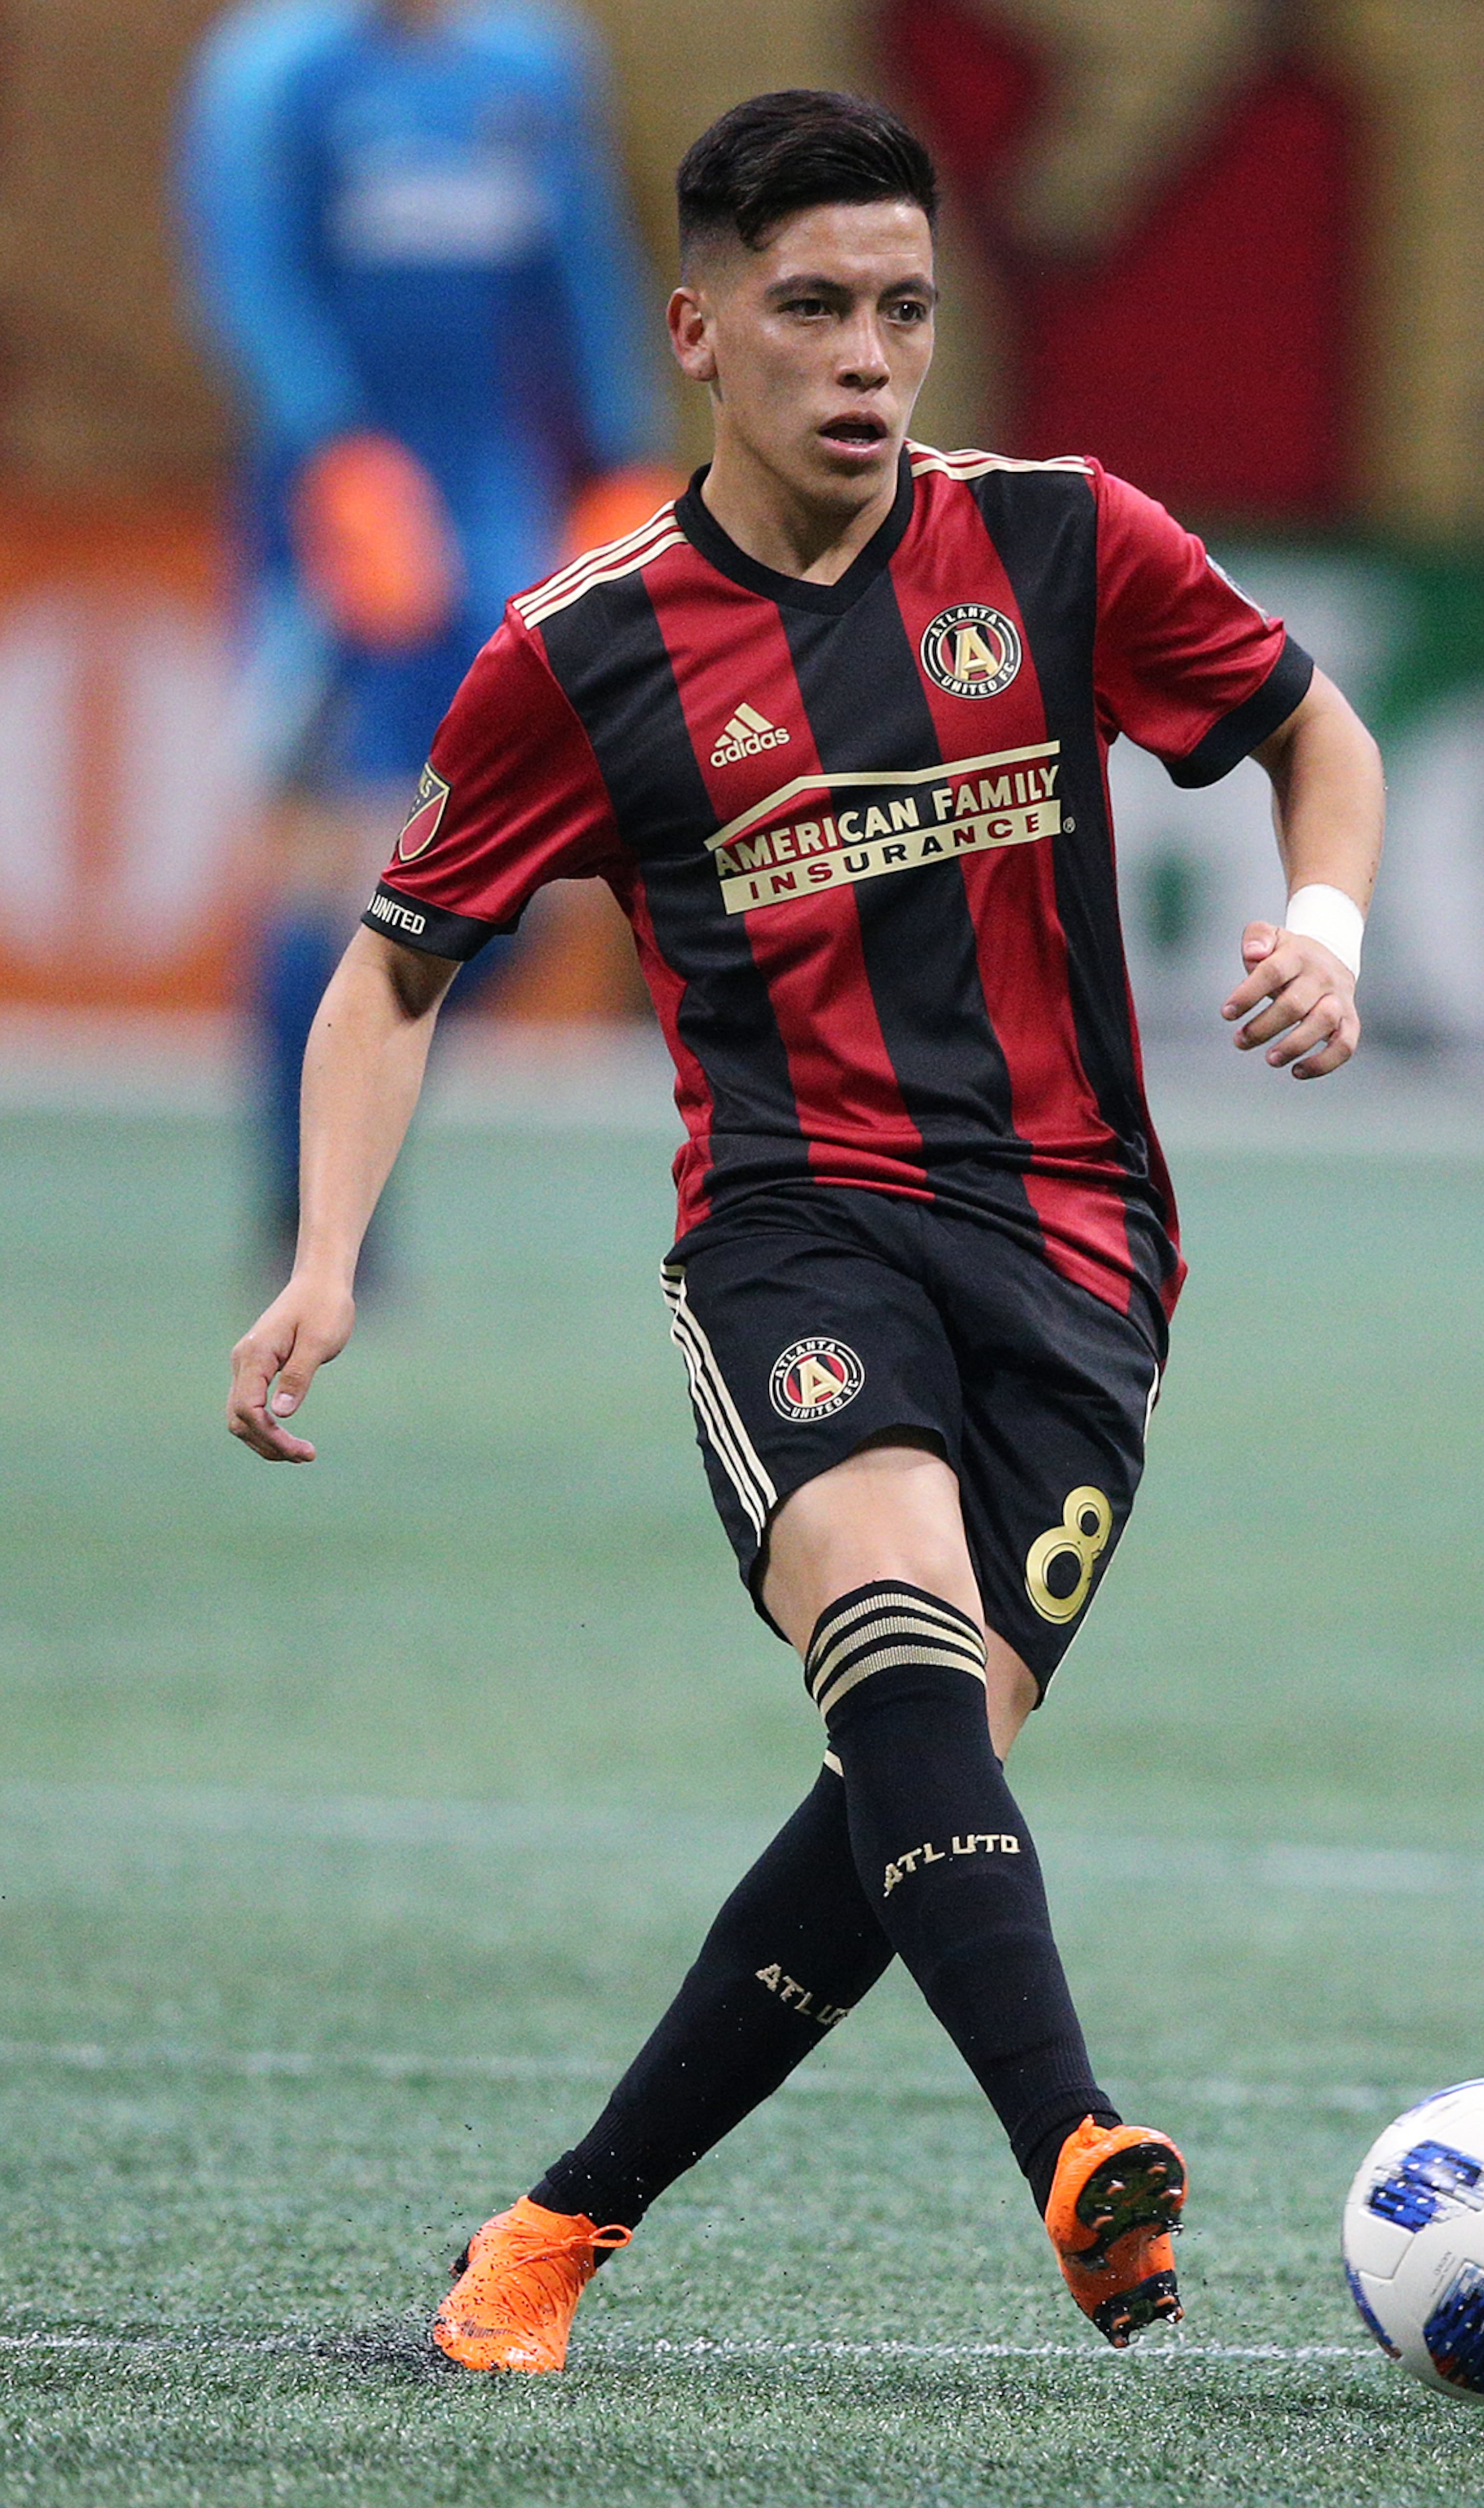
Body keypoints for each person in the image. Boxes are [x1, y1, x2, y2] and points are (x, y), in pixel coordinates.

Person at [226, 89, 1384, 2371]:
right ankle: (1076, 2146)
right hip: (793, 1236)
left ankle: (549, 2238)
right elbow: (394, 960)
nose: (870, 357)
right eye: (815, 308)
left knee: (910, 1779)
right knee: (890, 1629)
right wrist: (326, 1252)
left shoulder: (1062, 543)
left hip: (1083, 1265)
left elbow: (1310, 731)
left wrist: (1327, 921)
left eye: (907, 311)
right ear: (697, 331)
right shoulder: (588, 652)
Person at [178, 0, 671, 1267]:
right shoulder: (272, 67)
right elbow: (251, 274)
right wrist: (333, 450)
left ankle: (358, 1130)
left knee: (526, 888)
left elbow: (580, 268)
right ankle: (302, 1204)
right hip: (335, 523)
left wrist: (618, 458)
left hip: (495, 513)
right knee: (328, 861)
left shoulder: (532, 59)